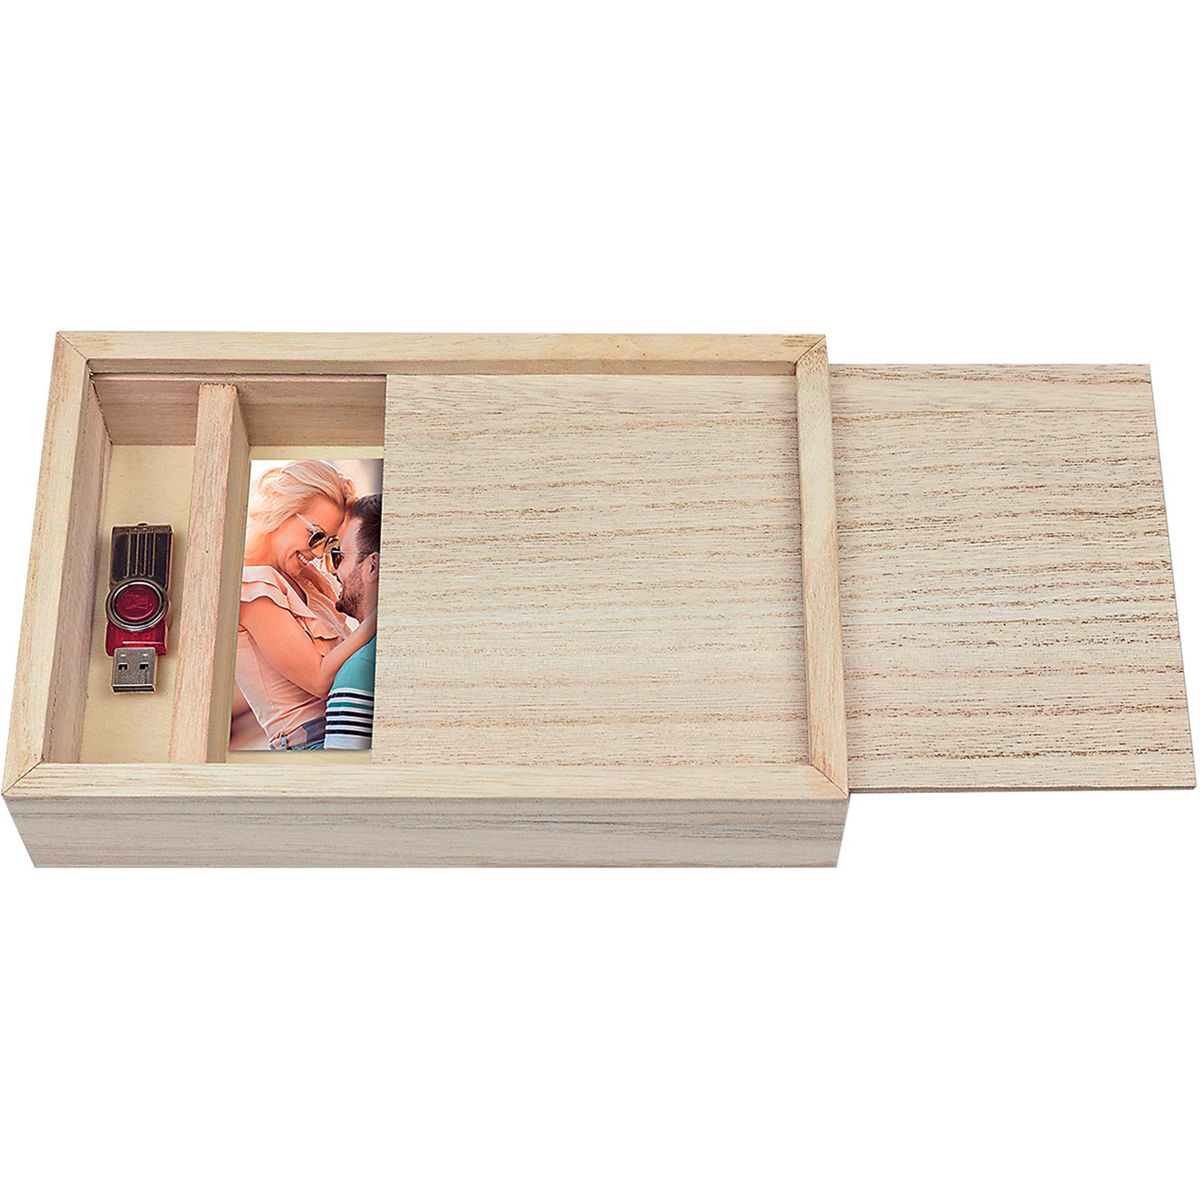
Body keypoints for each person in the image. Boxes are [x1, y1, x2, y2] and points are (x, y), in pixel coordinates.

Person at [236, 462, 377, 750]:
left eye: (327, 542)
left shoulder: (308, 580)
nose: (317, 552)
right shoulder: (252, 588)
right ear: (283, 512)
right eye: (316, 535)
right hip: (310, 743)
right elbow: (318, 680)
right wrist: (380, 618)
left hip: (347, 720)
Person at [323, 494, 381, 749]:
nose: (333, 570)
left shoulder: (358, 671)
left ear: (372, 566)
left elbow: (340, 771)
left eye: (340, 556)